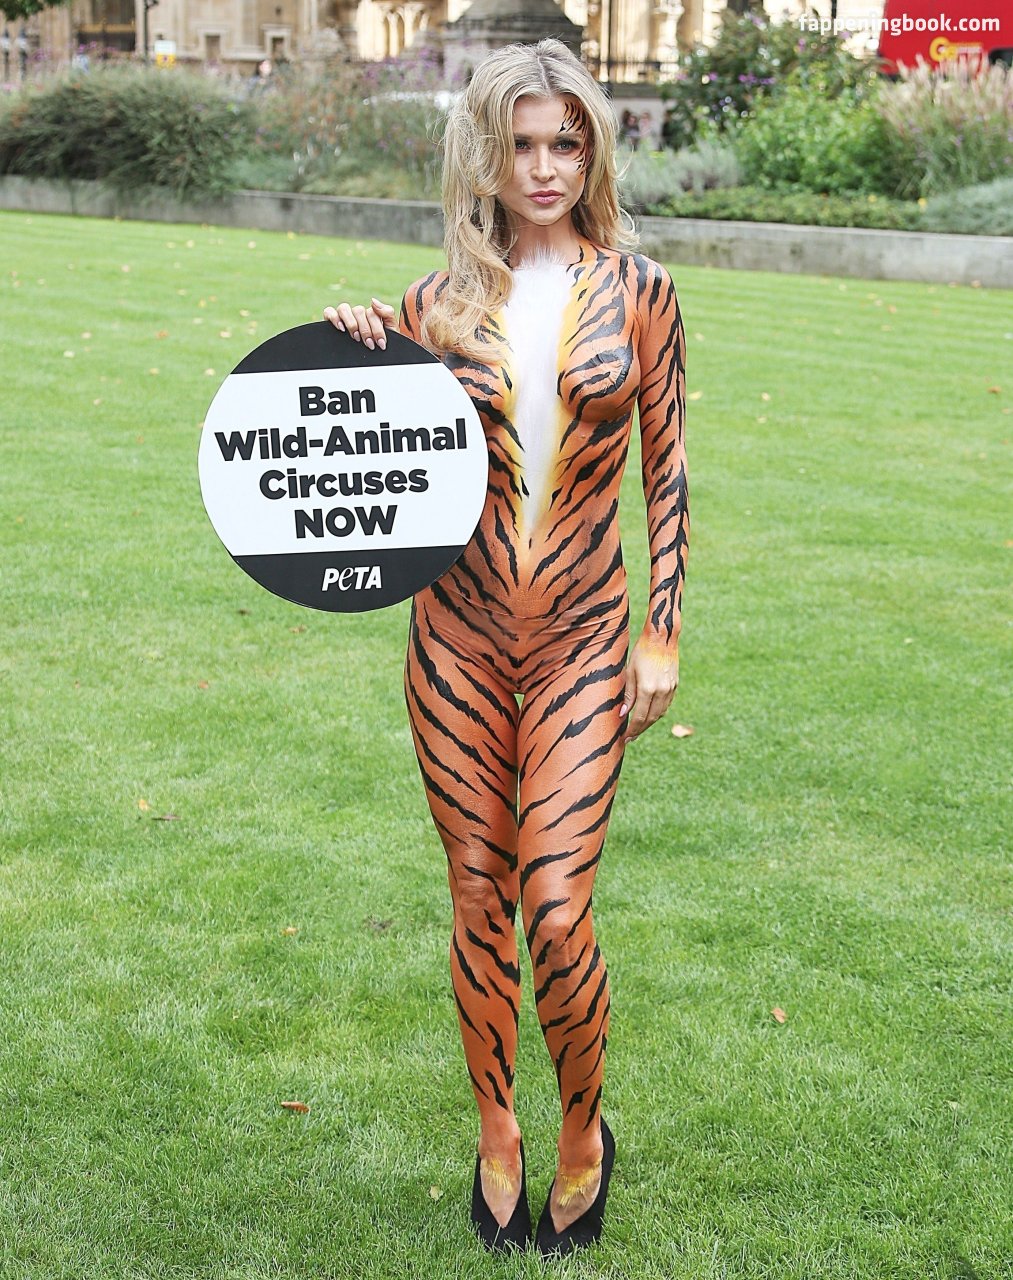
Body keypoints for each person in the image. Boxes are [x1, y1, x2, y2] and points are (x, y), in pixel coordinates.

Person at [323, 36, 688, 1258]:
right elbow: (376, 453)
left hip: (583, 632)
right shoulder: (432, 305)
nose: (543, 167)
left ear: (592, 154)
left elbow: (665, 469)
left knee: (556, 905)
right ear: (484, 156)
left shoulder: (640, 290)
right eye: (521, 144)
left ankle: (582, 1130)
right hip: (457, 639)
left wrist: (660, 630)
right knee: (477, 890)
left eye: (565, 144)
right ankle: (497, 1129)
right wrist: (355, 344)